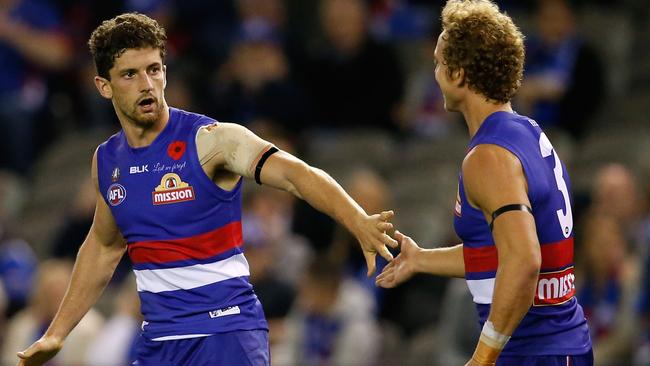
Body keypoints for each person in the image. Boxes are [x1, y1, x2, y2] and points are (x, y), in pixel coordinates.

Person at [15, 13, 397, 366]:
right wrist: (57, 332)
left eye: (154, 70)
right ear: (103, 86)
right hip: (160, 343)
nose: (147, 84)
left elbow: (298, 174)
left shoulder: (212, 141)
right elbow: (103, 247)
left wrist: (357, 219)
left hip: (227, 334)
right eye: (130, 74)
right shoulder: (108, 161)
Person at [376, 1, 592, 365]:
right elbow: (507, 253)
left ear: (459, 74)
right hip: (560, 346)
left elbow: (523, 261)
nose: (435, 73)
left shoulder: (488, 157)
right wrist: (422, 260)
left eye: (438, 62)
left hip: (531, 351)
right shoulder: (527, 132)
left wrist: (482, 357)